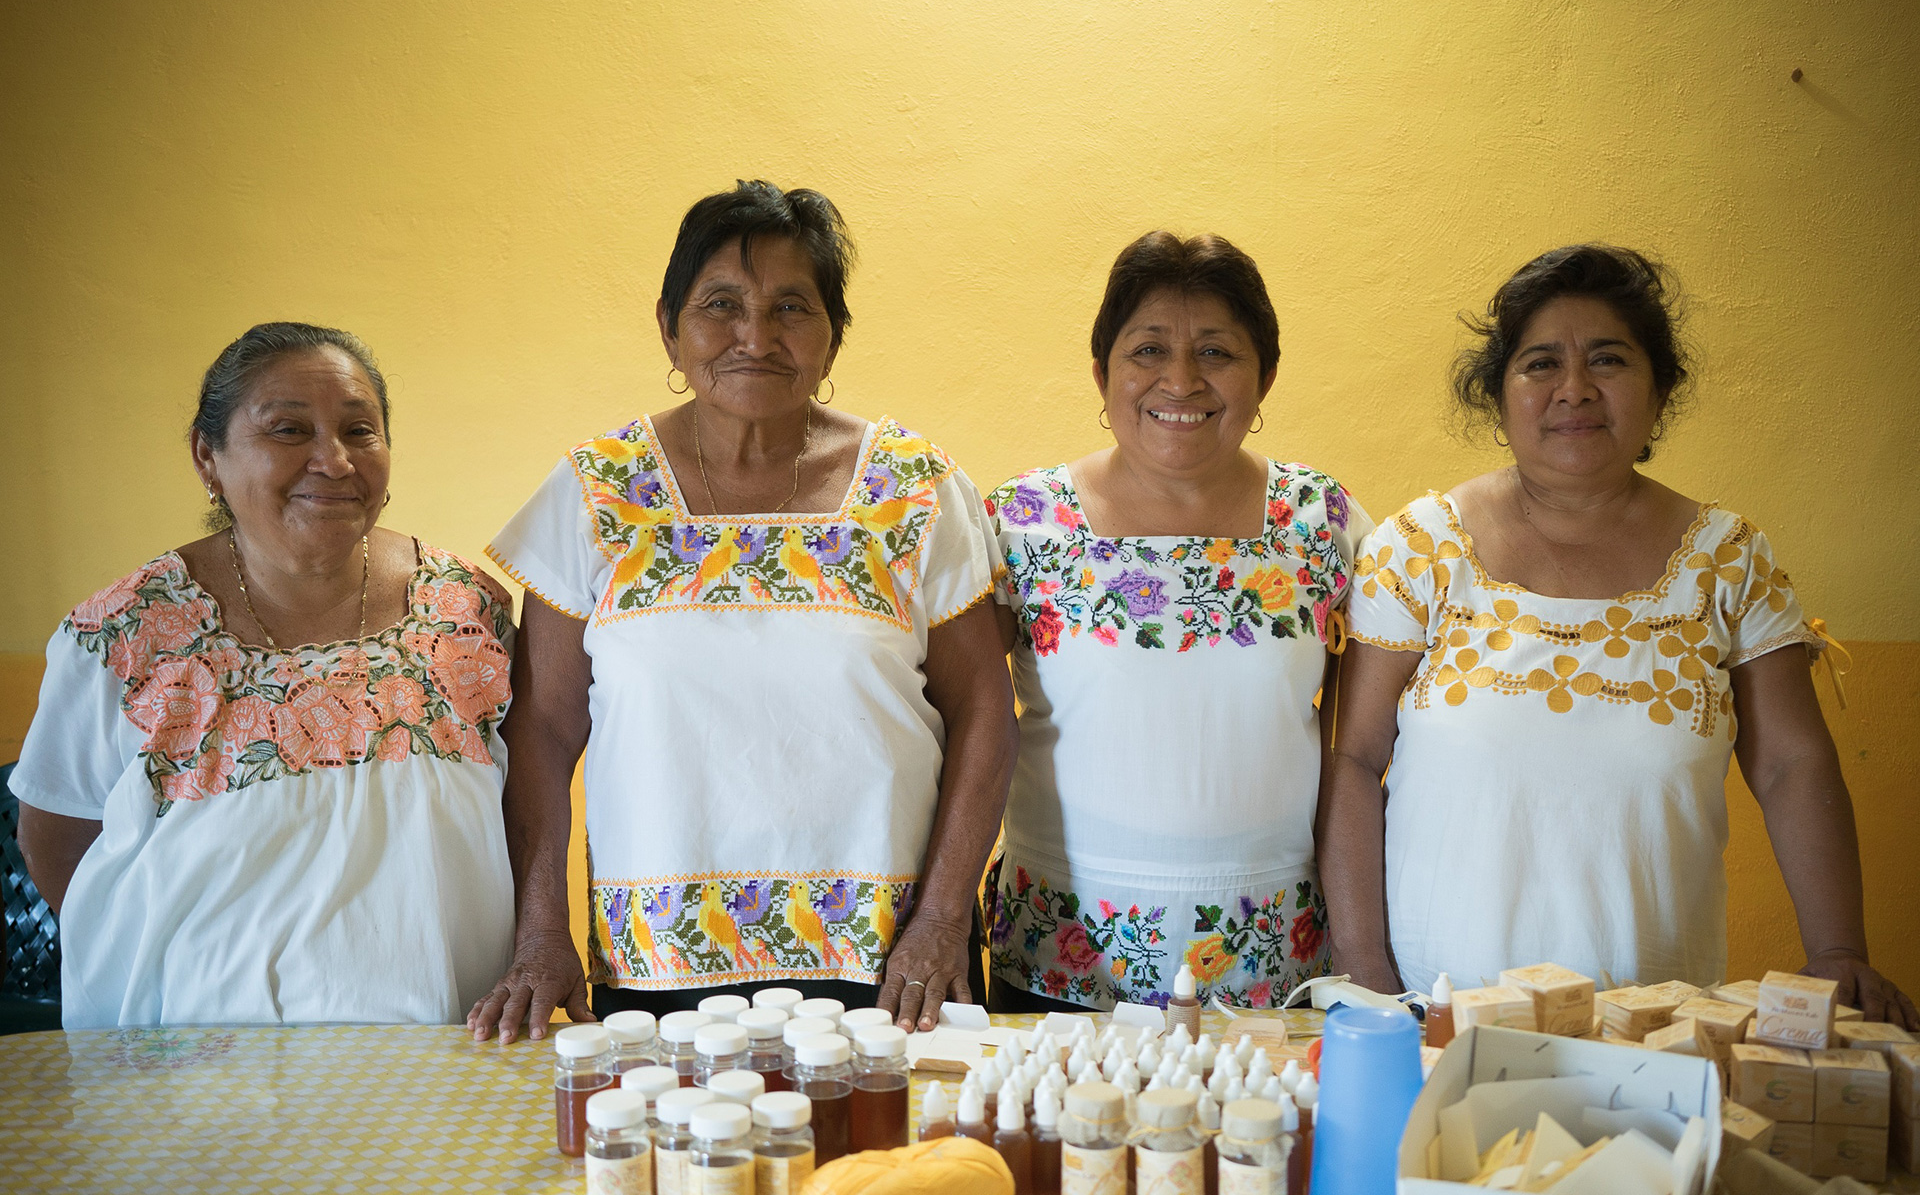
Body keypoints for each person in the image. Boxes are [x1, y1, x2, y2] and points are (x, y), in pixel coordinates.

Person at [470, 180, 1015, 1040]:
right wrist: (543, 933)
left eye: (791, 307)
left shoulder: (915, 491)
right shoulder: (595, 493)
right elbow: (541, 730)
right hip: (656, 966)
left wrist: (944, 919)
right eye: (721, 304)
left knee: (886, 1175)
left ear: (832, 332)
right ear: (669, 326)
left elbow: (985, 711)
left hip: (892, 969)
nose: (755, 337)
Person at [1321, 244, 1917, 1027]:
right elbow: (1356, 761)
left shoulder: (1727, 561)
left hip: (1656, 1025)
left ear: (1660, 392)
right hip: (1439, 1014)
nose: (1574, 389)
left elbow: (1792, 765)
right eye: (1540, 364)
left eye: (1608, 359)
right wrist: (1370, 977)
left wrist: (1838, 949)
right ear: (1497, 397)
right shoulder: (1419, 551)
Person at [14, 323, 517, 1027]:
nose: (333, 461)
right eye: (287, 430)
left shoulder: (470, 614)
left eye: (360, 431)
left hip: (436, 1043)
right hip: (194, 1067)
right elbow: (56, 833)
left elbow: (523, 811)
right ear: (207, 456)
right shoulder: (124, 633)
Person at [983, 231, 1371, 1013]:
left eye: (1218, 353)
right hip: (1064, 957)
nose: (1181, 380)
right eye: (1148, 349)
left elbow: (1356, 753)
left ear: (1265, 376)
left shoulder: (1322, 521)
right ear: (1102, 372)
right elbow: (960, 724)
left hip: (1274, 960)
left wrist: (1369, 951)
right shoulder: (1022, 520)